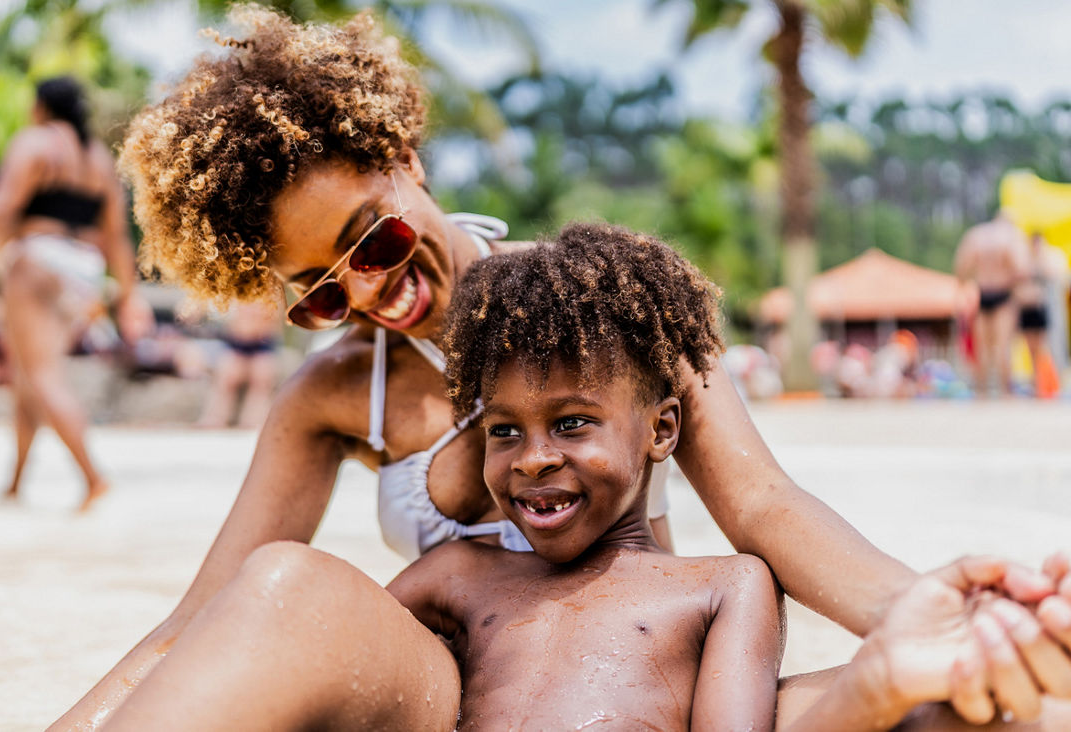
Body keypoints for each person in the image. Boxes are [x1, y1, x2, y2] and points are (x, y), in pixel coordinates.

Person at [54, 7, 1071, 727]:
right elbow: (202, 622)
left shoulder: (605, 307)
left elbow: (760, 505)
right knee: (284, 585)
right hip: (451, 697)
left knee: (970, 703)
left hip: (636, 683)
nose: (364, 293)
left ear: (402, 154)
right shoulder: (331, 392)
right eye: (318, 289)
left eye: (368, 241)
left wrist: (923, 610)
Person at [0, 76, 151, 510]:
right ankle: (15, 483)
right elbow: (117, 236)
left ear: (40, 107)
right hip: (84, 271)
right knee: (27, 376)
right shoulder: (97, 160)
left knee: (42, 376)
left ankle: (93, 478)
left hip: (36, 263)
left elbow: (1, 207)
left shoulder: (36, 144)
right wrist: (127, 296)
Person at [955, 211, 1031, 396]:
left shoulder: (977, 236)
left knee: (982, 348)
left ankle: (981, 392)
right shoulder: (1011, 238)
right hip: (1001, 294)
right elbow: (1022, 271)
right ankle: (1006, 392)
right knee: (1003, 347)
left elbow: (961, 267)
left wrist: (968, 285)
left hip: (982, 293)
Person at [196, 301, 282, 429]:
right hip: (237, 342)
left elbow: (273, 323)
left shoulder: (271, 296)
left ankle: (254, 420)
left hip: (262, 343)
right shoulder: (236, 297)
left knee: (261, 379)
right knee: (227, 378)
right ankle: (215, 418)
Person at [1015, 232, 1067, 398]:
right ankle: (1037, 384)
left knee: (1044, 349)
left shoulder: (1048, 260)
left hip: (1040, 309)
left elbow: (1056, 276)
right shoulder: (1024, 261)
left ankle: (1046, 384)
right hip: (1027, 309)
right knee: (1031, 349)